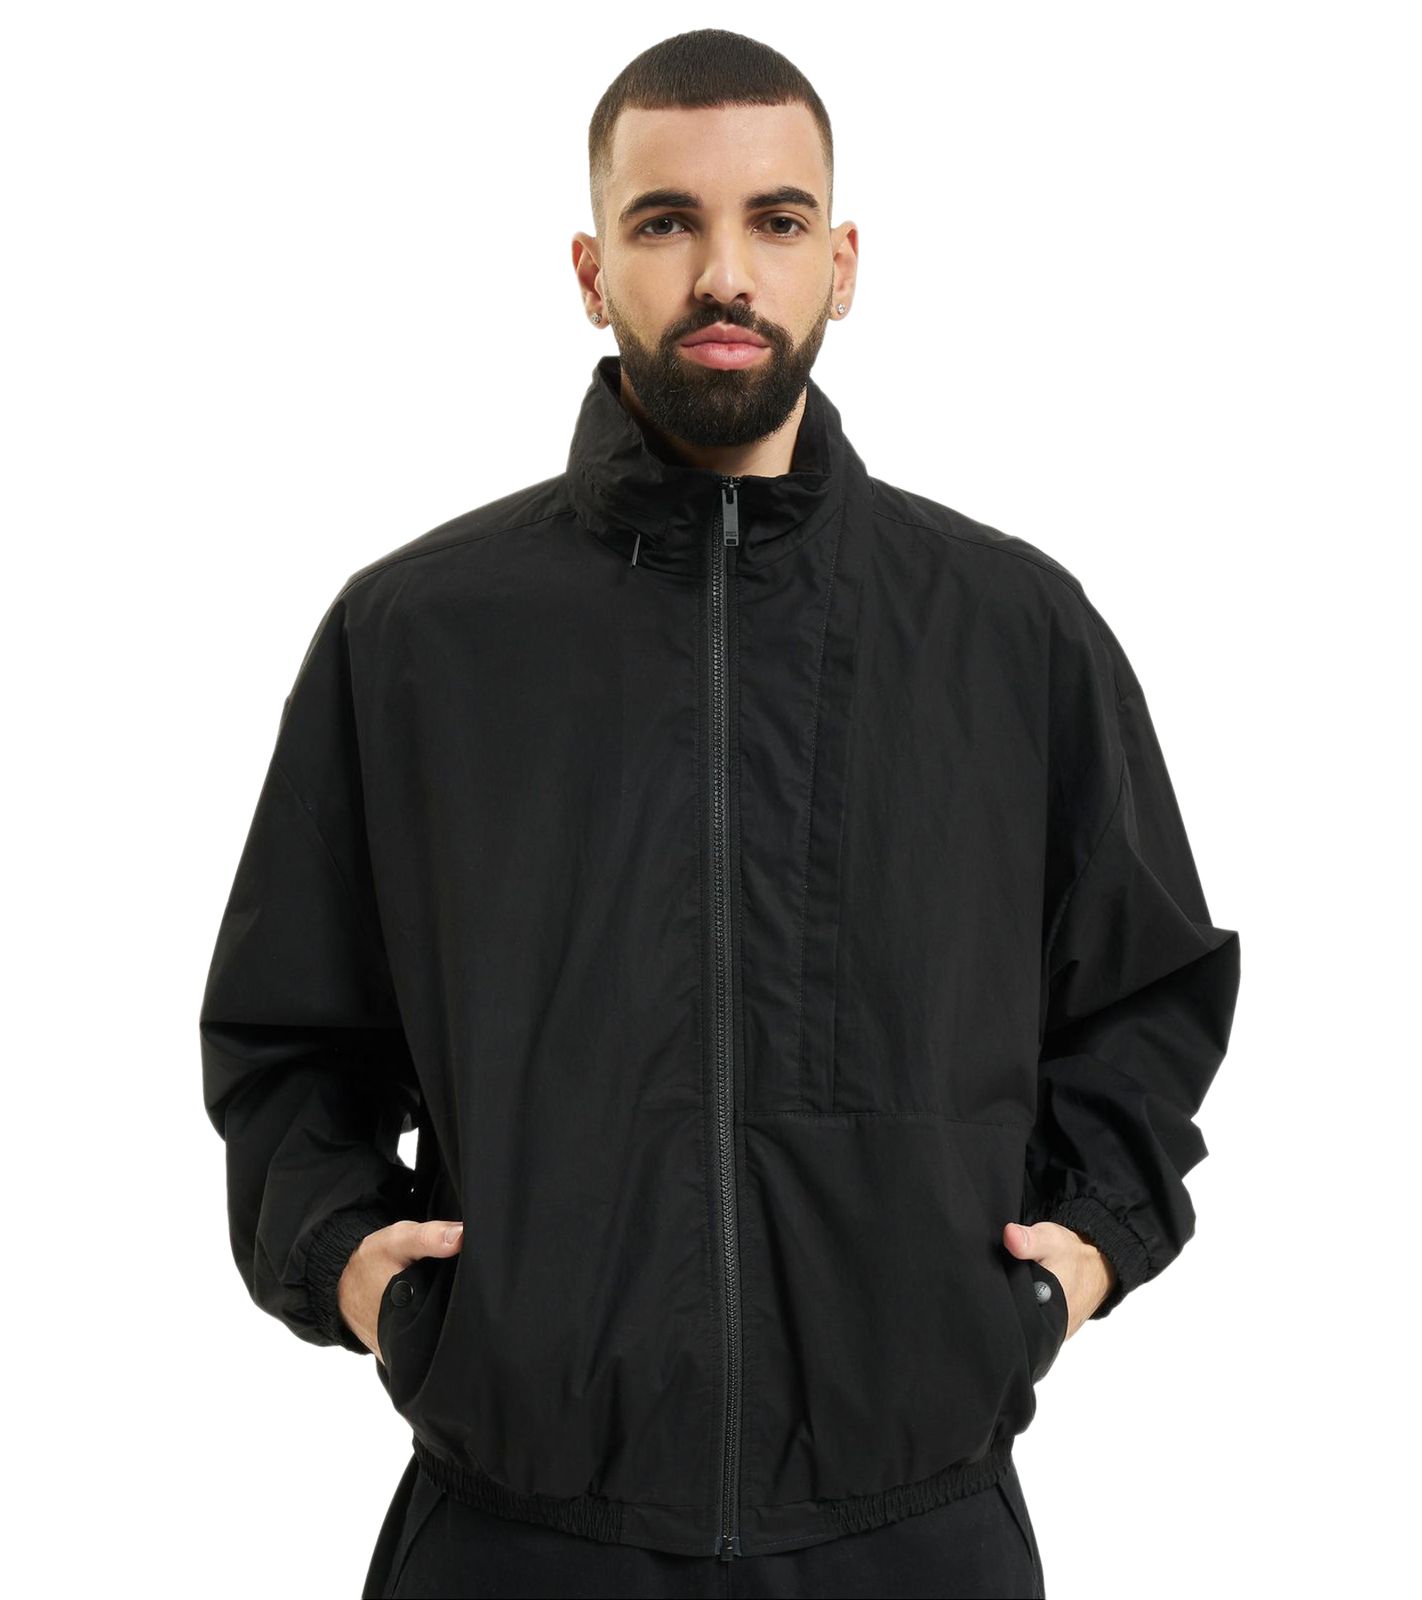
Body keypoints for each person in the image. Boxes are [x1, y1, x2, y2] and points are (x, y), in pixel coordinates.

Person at [199, 27, 1241, 1600]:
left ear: (842, 261)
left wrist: (1073, 1259)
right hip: (519, 1533)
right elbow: (288, 1039)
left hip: (916, 1532)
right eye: (665, 221)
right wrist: (357, 1270)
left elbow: (1146, 996)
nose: (724, 274)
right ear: (588, 268)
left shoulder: (1008, 628)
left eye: (775, 219)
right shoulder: (417, 636)